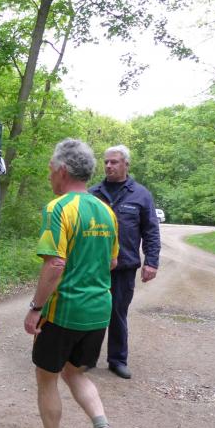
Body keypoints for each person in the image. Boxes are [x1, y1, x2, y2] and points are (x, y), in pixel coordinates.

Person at [20, 138, 125, 428]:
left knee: (47, 377)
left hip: (64, 310)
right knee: (74, 372)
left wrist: (35, 307)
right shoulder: (107, 212)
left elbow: (55, 264)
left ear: (63, 170)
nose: (49, 175)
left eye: (51, 169)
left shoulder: (59, 208)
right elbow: (112, 262)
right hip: (98, 309)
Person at [89, 145, 161, 379]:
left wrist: (151, 261)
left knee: (118, 313)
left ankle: (117, 360)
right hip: (93, 267)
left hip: (124, 266)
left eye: (114, 162)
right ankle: (86, 357)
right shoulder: (92, 193)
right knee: (91, 312)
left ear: (126, 165)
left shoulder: (141, 194)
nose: (109, 166)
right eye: (106, 162)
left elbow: (151, 230)